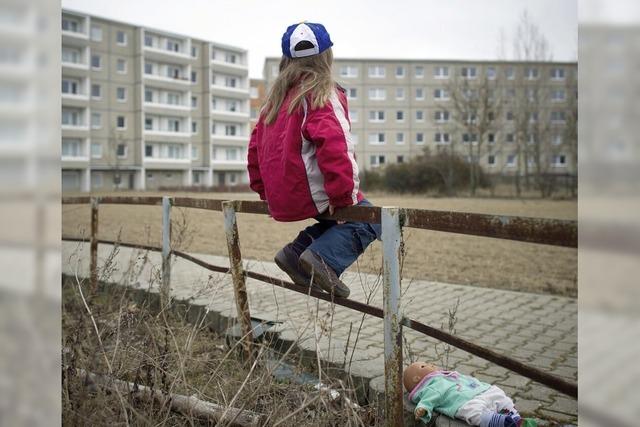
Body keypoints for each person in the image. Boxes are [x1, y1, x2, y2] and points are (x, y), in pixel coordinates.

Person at [247, 22, 380, 298]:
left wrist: (265, 193)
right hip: (311, 193)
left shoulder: (273, 102)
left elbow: (254, 151)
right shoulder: (321, 93)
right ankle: (323, 259)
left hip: (282, 198)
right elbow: (336, 147)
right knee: (371, 218)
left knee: (335, 222)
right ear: (326, 56)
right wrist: (345, 199)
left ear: (287, 60)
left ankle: (295, 255)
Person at [404, 362, 537, 426]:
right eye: (424, 366)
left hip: (483, 391)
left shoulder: (445, 375)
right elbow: (427, 400)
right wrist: (422, 409)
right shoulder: (431, 386)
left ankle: (515, 417)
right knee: (474, 412)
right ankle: (502, 422)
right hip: (465, 402)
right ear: (417, 378)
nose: (430, 364)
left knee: (500, 396)